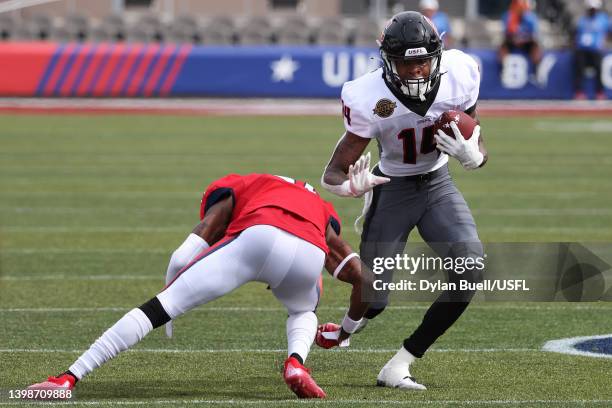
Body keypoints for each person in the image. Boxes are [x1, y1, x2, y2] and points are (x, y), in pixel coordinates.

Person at [27, 173, 373, 399]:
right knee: (302, 309)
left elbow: (184, 254)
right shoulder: (321, 208)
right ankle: (296, 362)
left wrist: (170, 306)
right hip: (309, 250)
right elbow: (362, 278)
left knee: (157, 308)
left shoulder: (242, 185)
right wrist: (344, 332)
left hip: (258, 234)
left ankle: (68, 379)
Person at [320, 11, 487, 390]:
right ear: (388, 61)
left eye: (422, 62)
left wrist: (474, 157)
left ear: (437, 55)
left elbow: (476, 137)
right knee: (374, 299)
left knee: (470, 271)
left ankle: (401, 362)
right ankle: (346, 328)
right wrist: (350, 188)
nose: (415, 72)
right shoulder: (367, 95)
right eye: (405, 64)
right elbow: (332, 172)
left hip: (438, 185)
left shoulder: (460, 74)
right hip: (391, 186)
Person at [573, 0, 610, 100]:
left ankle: (599, 92)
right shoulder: (582, 19)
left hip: (595, 50)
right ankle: (579, 92)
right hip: (582, 49)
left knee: (599, 69)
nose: (592, 11)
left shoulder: (603, 19)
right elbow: (576, 34)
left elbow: (609, 31)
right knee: (579, 70)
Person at [498, 0, 541, 68]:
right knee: (503, 47)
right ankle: (502, 68)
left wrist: (522, 39)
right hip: (512, 41)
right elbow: (506, 34)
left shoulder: (531, 17)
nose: (519, 8)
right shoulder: (508, 16)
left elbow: (534, 35)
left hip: (527, 42)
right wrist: (515, 39)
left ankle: (536, 70)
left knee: (535, 47)